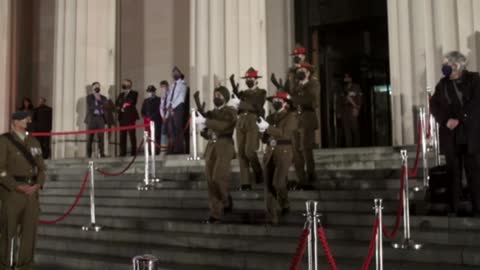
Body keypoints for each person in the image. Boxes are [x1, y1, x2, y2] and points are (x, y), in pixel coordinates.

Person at [430, 51, 480, 216]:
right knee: (453, 172)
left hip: (470, 134)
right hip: (451, 135)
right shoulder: (442, 84)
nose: (445, 69)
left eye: (448, 66)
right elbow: (435, 105)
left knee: (473, 171)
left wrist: (459, 119)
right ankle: (454, 207)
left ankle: (477, 207)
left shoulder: (474, 79)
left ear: (457, 66)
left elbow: (475, 104)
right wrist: (445, 121)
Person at [0, 111, 47, 270]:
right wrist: (16, 186)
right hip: (12, 193)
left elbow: (41, 167)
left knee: (29, 232)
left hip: (32, 193)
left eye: (26, 118)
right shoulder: (4, 141)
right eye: (22, 119)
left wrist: (38, 184)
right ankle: (5, 264)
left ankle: (25, 265)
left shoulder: (33, 141)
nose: (26, 121)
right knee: (8, 231)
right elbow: (1, 169)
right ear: (14, 122)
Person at [195, 86, 237, 224]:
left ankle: (226, 200)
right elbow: (209, 132)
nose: (216, 97)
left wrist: (205, 121)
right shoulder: (211, 113)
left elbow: (223, 126)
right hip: (212, 147)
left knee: (218, 178)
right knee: (210, 181)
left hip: (225, 146)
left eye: (219, 95)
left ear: (225, 97)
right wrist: (203, 130)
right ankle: (215, 213)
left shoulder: (230, 111)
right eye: (215, 95)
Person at [257, 91, 297, 225]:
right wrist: (262, 131)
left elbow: (284, 134)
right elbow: (264, 139)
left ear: (285, 103)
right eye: (274, 100)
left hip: (284, 151)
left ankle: (284, 203)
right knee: (268, 186)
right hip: (270, 151)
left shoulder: (290, 116)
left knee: (278, 183)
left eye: (278, 100)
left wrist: (268, 128)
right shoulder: (269, 117)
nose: (275, 102)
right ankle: (271, 217)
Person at [234, 67, 267, 191]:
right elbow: (238, 109)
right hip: (241, 121)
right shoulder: (242, 94)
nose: (248, 80)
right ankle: (245, 183)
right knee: (241, 153)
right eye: (247, 78)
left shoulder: (261, 92)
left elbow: (257, 106)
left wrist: (240, 103)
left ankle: (258, 172)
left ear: (256, 80)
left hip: (253, 122)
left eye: (251, 78)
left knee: (249, 151)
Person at [289, 63, 319, 190]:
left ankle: (311, 174)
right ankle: (301, 178)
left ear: (308, 73)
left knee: (306, 148)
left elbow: (309, 99)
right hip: (296, 119)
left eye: (303, 70)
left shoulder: (313, 84)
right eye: (298, 70)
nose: (300, 72)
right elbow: (290, 101)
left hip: (307, 118)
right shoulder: (295, 86)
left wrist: (294, 98)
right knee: (296, 150)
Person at [165, 67, 188, 154]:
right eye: (173, 72)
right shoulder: (172, 85)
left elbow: (181, 98)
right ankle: (173, 147)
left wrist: (172, 107)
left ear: (179, 73)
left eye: (176, 72)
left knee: (178, 128)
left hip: (178, 108)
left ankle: (179, 149)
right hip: (171, 108)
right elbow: (169, 97)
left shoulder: (183, 83)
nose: (174, 74)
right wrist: (168, 106)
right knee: (171, 129)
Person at [115, 79, 139, 157]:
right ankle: (123, 152)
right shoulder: (121, 94)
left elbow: (131, 101)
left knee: (132, 135)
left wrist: (122, 104)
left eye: (124, 83)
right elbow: (117, 103)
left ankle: (133, 152)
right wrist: (120, 107)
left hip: (130, 117)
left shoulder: (134, 93)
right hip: (122, 117)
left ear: (129, 84)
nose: (123, 84)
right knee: (122, 136)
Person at [339, 73, 362, 147]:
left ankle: (357, 146)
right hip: (344, 110)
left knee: (355, 129)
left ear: (350, 78)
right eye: (345, 77)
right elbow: (340, 101)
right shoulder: (343, 88)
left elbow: (359, 99)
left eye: (347, 77)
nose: (345, 79)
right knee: (346, 130)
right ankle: (348, 146)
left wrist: (357, 108)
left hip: (353, 109)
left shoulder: (356, 87)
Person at [85, 82, 107, 158]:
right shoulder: (89, 97)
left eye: (98, 86)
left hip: (100, 118)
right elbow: (91, 106)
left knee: (101, 137)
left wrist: (99, 100)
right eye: (95, 87)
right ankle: (89, 154)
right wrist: (97, 100)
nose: (97, 88)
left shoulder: (103, 98)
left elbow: (105, 106)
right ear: (92, 88)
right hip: (92, 118)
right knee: (90, 138)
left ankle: (102, 153)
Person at [141, 85, 162, 154]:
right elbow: (142, 111)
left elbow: (159, 110)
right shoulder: (146, 101)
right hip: (147, 121)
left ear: (154, 92)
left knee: (157, 136)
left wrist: (152, 117)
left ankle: (157, 150)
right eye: (149, 92)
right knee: (148, 136)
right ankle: (149, 151)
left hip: (156, 120)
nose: (150, 93)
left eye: (152, 92)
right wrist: (145, 117)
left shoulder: (159, 99)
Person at [159, 80, 170, 154]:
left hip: (169, 116)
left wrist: (166, 116)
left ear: (167, 86)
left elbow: (169, 106)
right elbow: (161, 107)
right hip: (164, 117)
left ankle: (169, 149)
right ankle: (163, 149)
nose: (163, 88)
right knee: (163, 132)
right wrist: (163, 116)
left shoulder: (170, 94)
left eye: (164, 86)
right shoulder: (162, 96)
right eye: (161, 87)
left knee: (170, 132)